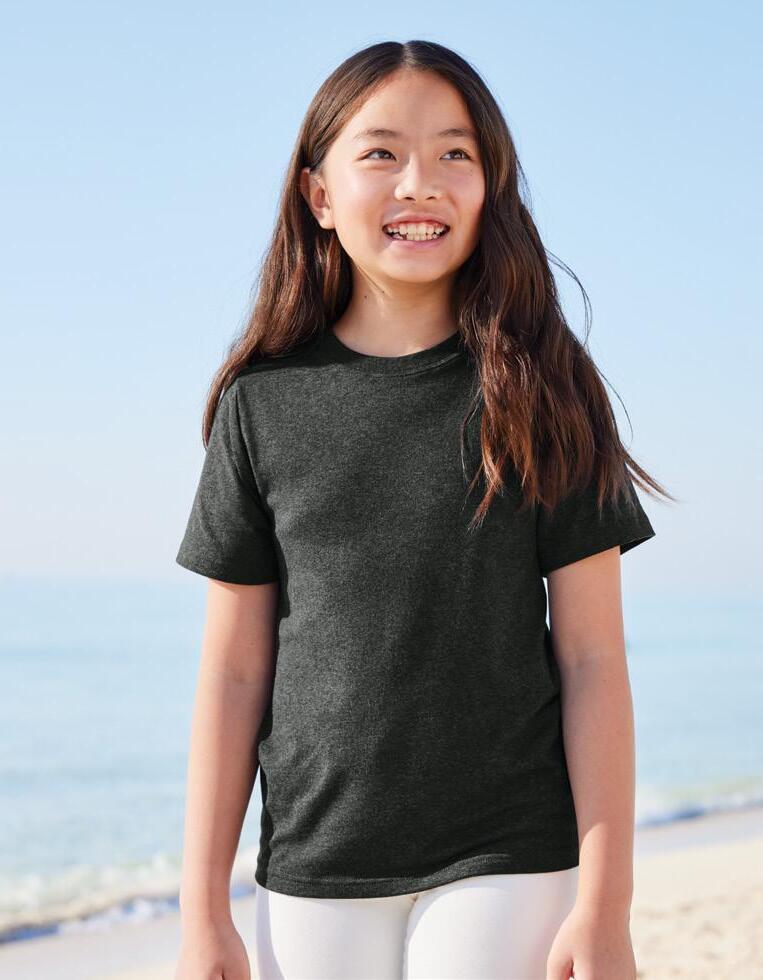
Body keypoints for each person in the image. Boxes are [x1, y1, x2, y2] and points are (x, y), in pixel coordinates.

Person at [173, 39, 670, 980]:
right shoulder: (261, 405)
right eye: (380, 153)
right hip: (313, 860)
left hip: (508, 852)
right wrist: (201, 914)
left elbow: (593, 659)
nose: (420, 183)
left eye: (454, 153)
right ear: (318, 195)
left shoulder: (547, 390)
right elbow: (234, 672)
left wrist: (605, 908)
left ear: (489, 188)